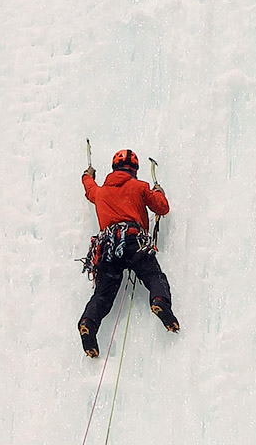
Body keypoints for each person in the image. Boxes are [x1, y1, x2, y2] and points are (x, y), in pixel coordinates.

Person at [78, 148, 178, 358]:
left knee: (103, 294)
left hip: (108, 247)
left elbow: (89, 189)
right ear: (134, 169)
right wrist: (158, 191)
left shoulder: (101, 191)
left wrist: (87, 175)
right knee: (153, 277)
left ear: (114, 168)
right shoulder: (139, 187)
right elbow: (162, 208)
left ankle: (88, 322)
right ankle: (159, 300)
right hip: (133, 242)